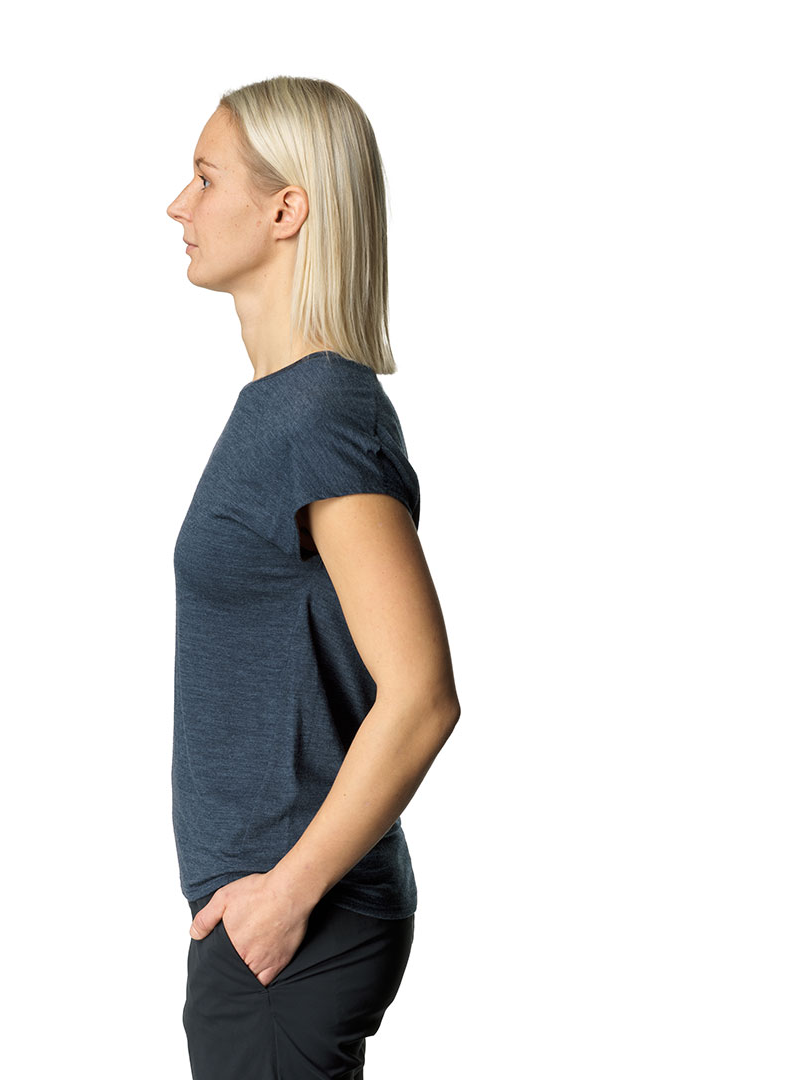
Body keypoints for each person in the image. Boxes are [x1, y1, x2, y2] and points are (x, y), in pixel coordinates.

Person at [165, 76, 461, 1080]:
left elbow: (421, 696)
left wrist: (285, 896)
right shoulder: (283, 408)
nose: (178, 204)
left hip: (292, 921)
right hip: (270, 915)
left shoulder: (317, 414)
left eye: (206, 179)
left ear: (287, 209)